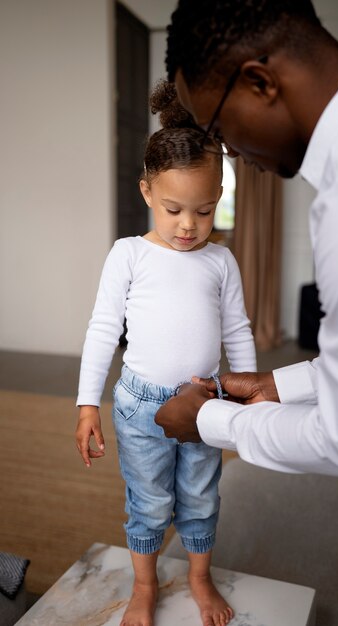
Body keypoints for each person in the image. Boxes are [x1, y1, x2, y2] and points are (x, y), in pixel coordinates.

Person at [155, 0, 338, 530]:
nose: (231, 152)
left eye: (219, 128)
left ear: (260, 83)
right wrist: (282, 385)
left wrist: (208, 419)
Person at [75, 80, 256, 626]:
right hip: (138, 407)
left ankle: (200, 578)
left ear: (218, 198)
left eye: (204, 211)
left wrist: (248, 392)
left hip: (205, 401)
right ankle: (145, 587)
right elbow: (103, 328)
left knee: (201, 497)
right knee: (149, 502)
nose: (188, 225)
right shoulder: (129, 255)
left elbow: (238, 330)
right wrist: (87, 404)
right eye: (174, 208)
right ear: (147, 192)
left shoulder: (221, 263)